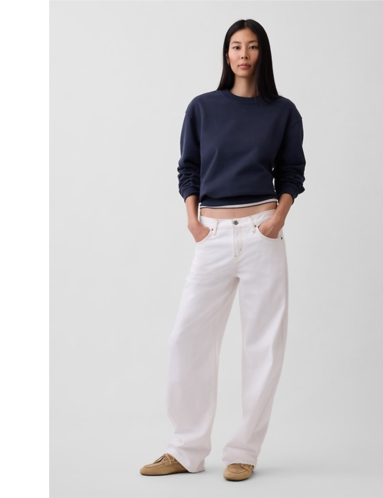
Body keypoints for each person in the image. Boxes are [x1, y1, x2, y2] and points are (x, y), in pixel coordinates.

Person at [140, 18, 306, 482]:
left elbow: (291, 171)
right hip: (211, 234)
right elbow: (188, 167)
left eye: (252, 47)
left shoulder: (283, 111)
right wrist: (192, 219)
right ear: (226, 54)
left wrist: (278, 218)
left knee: (262, 346)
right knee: (186, 338)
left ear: (262, 54)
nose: (243, 54)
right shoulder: (203, 107)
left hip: (261, 233)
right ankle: (185, 449)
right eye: (236, 46)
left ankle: (244, 452)